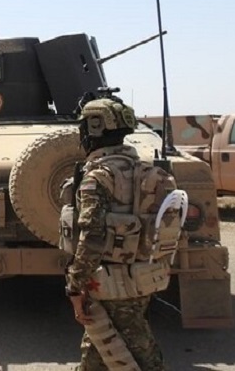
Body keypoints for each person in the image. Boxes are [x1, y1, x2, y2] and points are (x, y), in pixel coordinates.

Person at [64, 96, 168, 370]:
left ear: (94, 129)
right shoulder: (152, 174)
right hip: (145, 277)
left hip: (110, 282)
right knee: (101, 349)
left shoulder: (98, 177)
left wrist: (75, 285)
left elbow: (92, 236)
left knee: (138, 353)